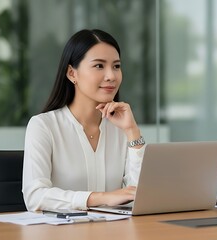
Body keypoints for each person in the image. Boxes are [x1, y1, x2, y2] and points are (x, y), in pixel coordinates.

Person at [22, 29, 146, 211]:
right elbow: (35, 196)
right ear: (72, 74)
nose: (111, 75)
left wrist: (132, 131)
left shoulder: (121, 128)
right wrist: (101, 197)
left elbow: (140, 196)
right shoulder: (43, 126)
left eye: (116, 66)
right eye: (99, 66)